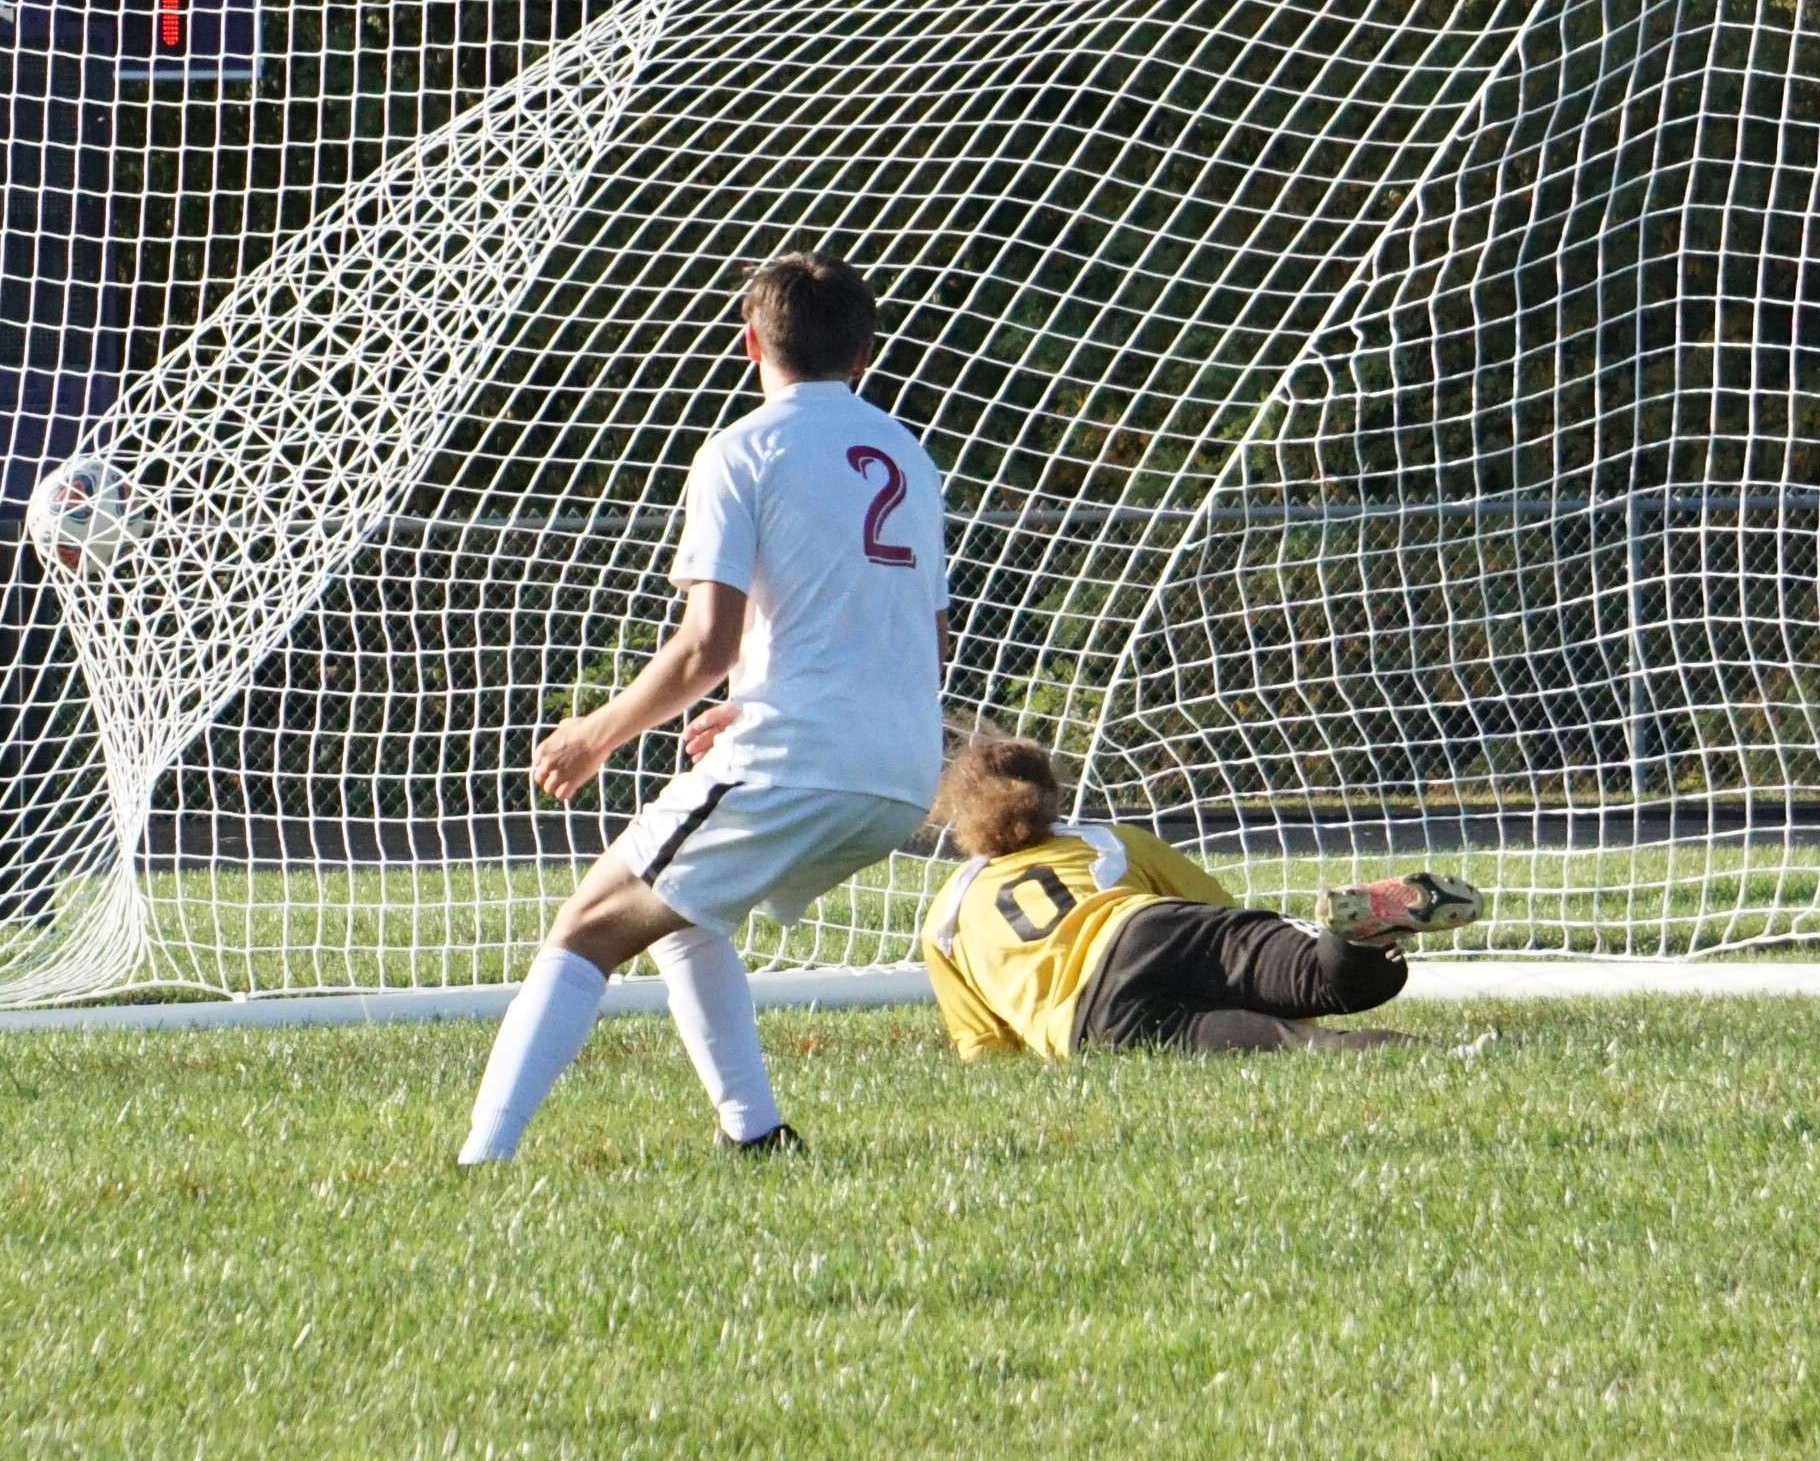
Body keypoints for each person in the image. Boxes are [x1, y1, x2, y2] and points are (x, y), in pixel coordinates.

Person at [459, 251, 948, 1163]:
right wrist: (763, 702)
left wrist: (593, 733)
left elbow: (703, 648)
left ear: (750, 341)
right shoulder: (909, 457)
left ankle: (481, 1160)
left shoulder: (742, 448)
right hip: (903, 767)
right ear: (866, 355)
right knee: (683, 911)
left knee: (585, 926)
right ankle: (754, 1134)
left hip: (803, 755)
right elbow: (924, 636)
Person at [894, 732, 1478, 1059]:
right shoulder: (1101, 839)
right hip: (1151, 926)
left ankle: (1441, 1055)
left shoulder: (946, 917)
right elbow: (1216, 906)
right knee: (1334, 977)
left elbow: (984, 1049)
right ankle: (1352, 940)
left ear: (956, 817)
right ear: (1051, 794)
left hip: (1097, 1017)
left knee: (1297, 1047)